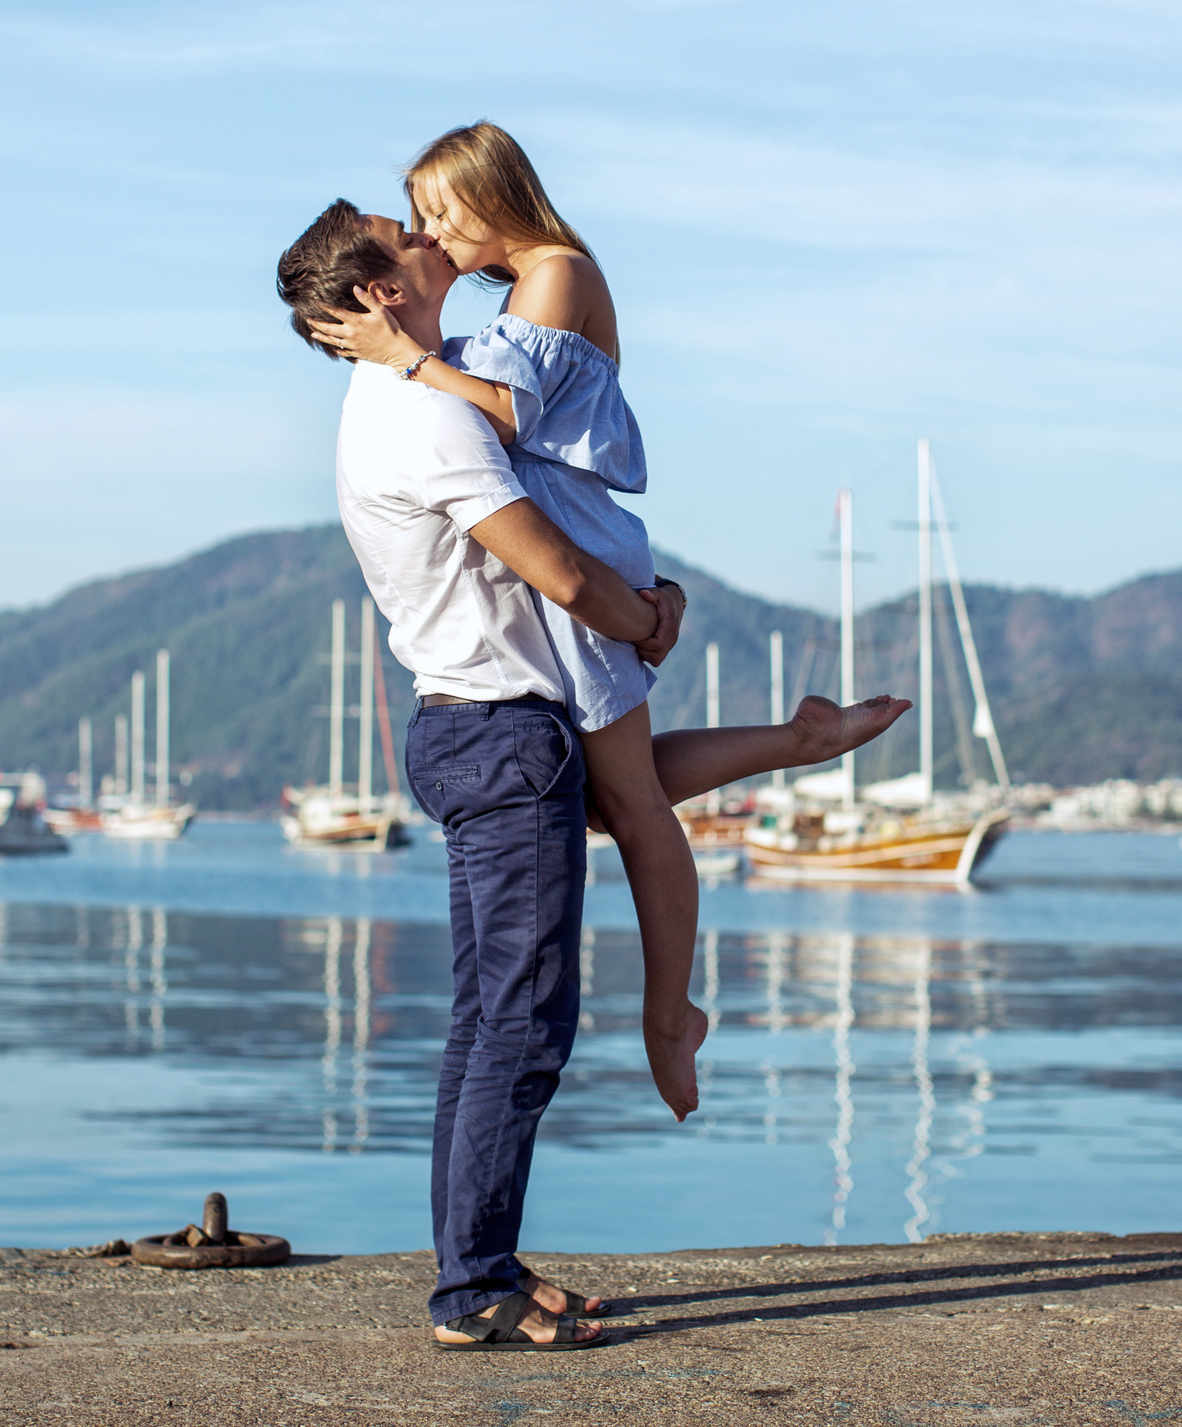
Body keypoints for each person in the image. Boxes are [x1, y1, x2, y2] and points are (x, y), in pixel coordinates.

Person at [276, 197, 901, 1350]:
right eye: (401, 231)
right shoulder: (425, 418)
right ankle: (474, 1290)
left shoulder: (401, 398)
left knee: (489, 1023)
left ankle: (478, 1268)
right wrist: (649, 619)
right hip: (497, 731)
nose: (425, 233)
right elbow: (556, 569)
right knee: (520, 1025)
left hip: (482, 729)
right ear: (379, 292)